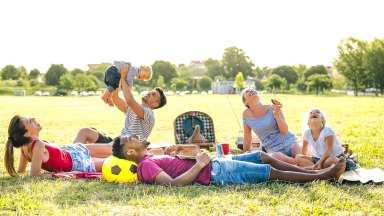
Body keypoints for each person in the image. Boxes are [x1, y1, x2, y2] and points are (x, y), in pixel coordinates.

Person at [112, 135, 346, 186]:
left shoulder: (151, 156)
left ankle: (316, 170)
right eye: (132, 139)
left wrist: (182, 153)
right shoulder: (146, 165)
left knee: (263, 155)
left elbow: (178, 164)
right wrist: (200, 164)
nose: (138, 137)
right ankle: (322, 175)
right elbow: (174, 184)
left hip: (218, 162)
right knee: (267, 170)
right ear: (130, 153)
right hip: (216, 172)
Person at [73, 66, 167, 145]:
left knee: (86, 148)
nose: (149, 93)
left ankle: (70, 158)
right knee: (85, 131)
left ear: (155, 104)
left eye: (153, 94)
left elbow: (130, 100)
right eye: (150, 92)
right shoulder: (133, 108)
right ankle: (70, 157)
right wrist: (117, 79)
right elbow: (116, 98)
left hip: (127, 148)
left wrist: (123, 77)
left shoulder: (149, 114)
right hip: (117, 143)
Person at [4, 115, 112, 177]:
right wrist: (57, 175)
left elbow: (21, 172)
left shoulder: (25, 148)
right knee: (112, 161)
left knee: (112, 148)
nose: (33, 118)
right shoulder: (37, 146)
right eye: (29, 121)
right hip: (77, 163)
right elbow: (34, 176)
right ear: (26, 134)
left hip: (71, 151)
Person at [241, 88, 301, 164]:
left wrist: (277, 115)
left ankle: (300, 163)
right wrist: (244, 155)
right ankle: (297, 163)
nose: (251, 90)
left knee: (299, 154)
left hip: (290, 143)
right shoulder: (246, 115)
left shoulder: (273, 107)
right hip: (274, 151)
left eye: (253, 90)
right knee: (276, 157)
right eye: (247, 91)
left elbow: (284, 131)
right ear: (245, 102)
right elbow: (247, 137)